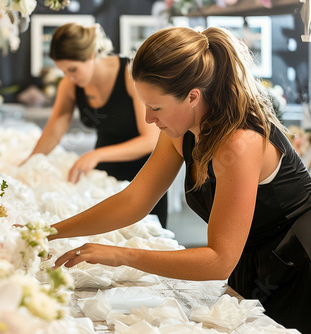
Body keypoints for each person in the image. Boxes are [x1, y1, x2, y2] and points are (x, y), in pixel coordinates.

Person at [50, 26, 311, 333]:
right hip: (253, 263)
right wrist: (49, 232)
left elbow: (218, 260)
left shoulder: (239, 144)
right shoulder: (181, 130)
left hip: (298, 266)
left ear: (192, 96)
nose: (148, 118)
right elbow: (135, 200)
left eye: (155, 107)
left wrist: (122, 255)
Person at [24, 22, 168, 227]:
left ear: (91, 56)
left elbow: (150, 141)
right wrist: (29, 163)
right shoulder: (70, 84)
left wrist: (96, 155)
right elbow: (54, 130)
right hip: (104, 170)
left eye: (73, 69)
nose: (69, 77)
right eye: (63, 71)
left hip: (145, 171)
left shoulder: (130, 74)